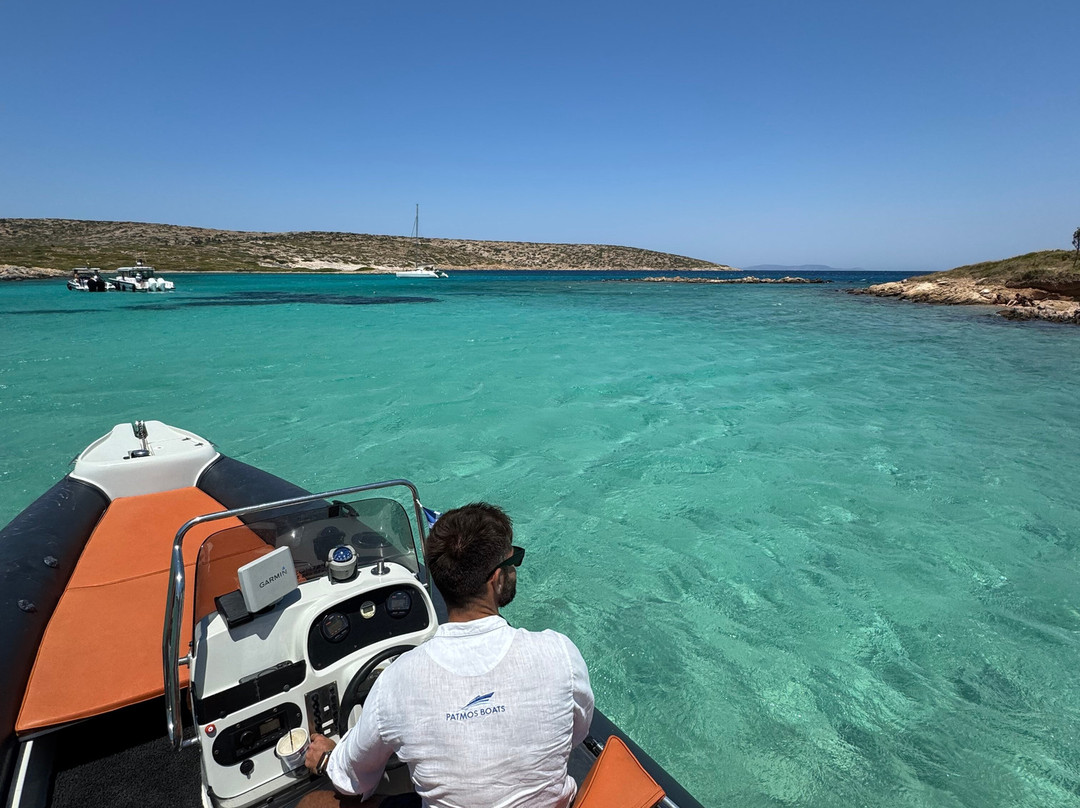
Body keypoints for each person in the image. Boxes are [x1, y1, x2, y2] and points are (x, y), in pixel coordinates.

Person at [304, 502, 594, 808]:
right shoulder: (560, 654)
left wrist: (327, 757)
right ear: (496, 580)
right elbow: (576, 734)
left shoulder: (397, 682)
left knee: (313, 803)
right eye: (513, 561)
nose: (514, 569)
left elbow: (354, 780)